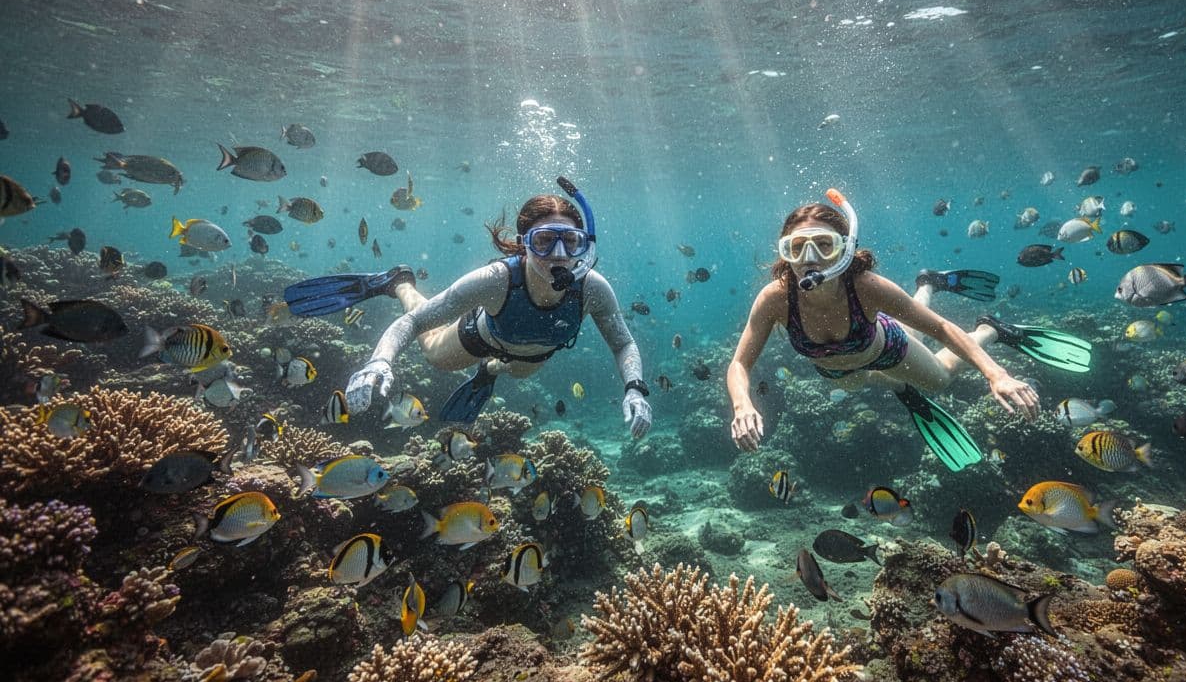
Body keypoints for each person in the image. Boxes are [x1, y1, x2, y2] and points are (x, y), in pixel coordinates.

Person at [725, 189, 1090, 471]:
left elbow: (941, 328)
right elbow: (740, 363)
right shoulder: (775, 299)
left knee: (939, 378)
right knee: (858, 380)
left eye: (824, 245)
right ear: (785, 253)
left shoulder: (867, 288)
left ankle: (990, 329)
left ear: (844, 250)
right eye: (797, 247)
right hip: (840, 372)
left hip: (886, 348)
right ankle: (927, 284)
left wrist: (996, 374)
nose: (810, 259)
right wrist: (742, 405)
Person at [284, 178, 652, 438]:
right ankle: (398, 282)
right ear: (523, 244)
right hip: (482, 335)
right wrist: (378, 362)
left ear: (584, 246)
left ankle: (489, 371)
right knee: (435, 354)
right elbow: (413, 323)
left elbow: (622, 343)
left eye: (570, 241)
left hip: (534, 355)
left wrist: (634, 388)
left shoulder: (593, 288)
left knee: (521, 374)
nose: (558, 254)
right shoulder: (494, 281)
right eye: (543, 241)